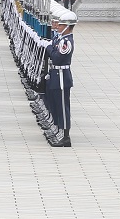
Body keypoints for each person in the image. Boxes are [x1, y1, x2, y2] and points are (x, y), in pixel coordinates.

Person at [44, 9, 77, 147]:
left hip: (62, 76)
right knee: (55, 105)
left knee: (63, 107)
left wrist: (49, 49)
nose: (58, 27)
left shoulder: (66, 42)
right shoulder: (60, 39)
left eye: (61, 25)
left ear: (68, 27)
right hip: (56, 75)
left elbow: (57, 58)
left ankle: (66, 136)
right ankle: (59, 131)